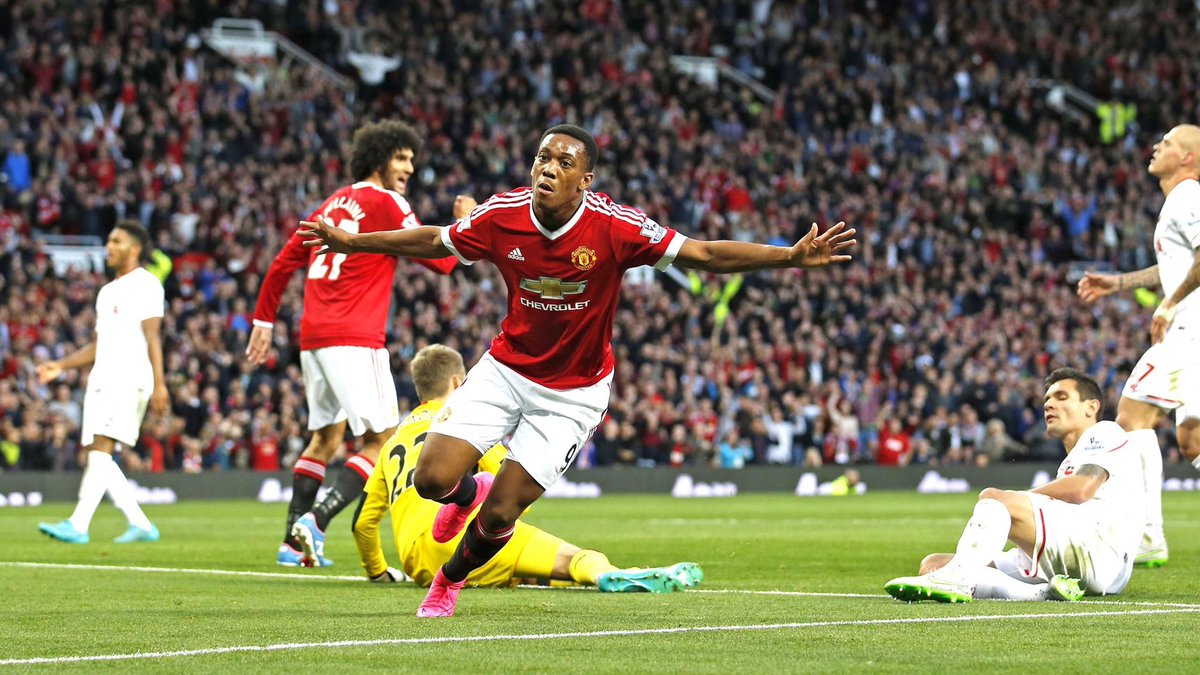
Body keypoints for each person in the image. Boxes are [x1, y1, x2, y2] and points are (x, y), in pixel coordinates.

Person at [300, 123, 856, 617]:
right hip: (505, 370)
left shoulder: (616, 226)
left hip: (573, 395)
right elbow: (433, 240)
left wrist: (788, 256)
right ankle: (467, 492)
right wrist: (354, 241)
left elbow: (704, 256)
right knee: (432, 480)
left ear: (585, 180)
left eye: (566, 162)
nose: (549, 168)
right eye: (544, 157)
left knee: (500, 516)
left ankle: (448, 583)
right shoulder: (502, 215)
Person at [247, 120, 473, 567]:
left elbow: (280, 264)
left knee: (325, 439)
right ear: (379, 157)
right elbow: (444, 263)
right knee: (383, 441)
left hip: (313, 337)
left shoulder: (330, 204)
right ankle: (314, 521)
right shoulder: (386, 201)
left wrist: (264, 321)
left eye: (412, 159)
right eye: (401, 158)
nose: (409, 167)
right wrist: (465, 221)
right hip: (354, 337)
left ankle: (292, 547)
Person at [353, 344, 703, 593]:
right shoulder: (464, 428)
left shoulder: (391, 444)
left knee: (517, 571)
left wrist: (380, 573)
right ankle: (603, 573)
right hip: (464, 545)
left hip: (419, 564)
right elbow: (509, 492)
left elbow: (364, 525)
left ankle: (523, 573)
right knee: (571, 557)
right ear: (459, 383)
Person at [884, 368, 1145, 603]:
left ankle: (957, 578)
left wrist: (1012, 502)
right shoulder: (1071, 459)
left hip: (1097, 552)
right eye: (1047, 400)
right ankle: (1037, 593)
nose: (1049, 405)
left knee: (993, 498)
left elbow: (1081, 489)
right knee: (932, 565)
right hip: (1074, 556)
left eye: (1061, 397)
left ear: (1091, 407)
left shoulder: (1105, 432)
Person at [1075, 123, 1200, 568]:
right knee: (1191, 442)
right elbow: (1176, 267)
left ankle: (1149, 536)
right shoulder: (1178, 203)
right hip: (1189, 327)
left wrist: (1167, 305)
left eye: (1165, 143)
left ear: (1187, 157)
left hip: (1190, 327)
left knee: (1131, 418)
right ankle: (1149, 536)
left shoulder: (1187, 197)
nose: (1155, 146)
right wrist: (1120, 283)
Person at [36, 220, 168, 544]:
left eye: (116, 241)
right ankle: (140, 524)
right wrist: (61, 366)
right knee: (100, 455)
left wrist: (160, 383)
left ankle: (78, 524)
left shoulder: (147, 285)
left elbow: (153, 337)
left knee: (100, 450)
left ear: (134, 249)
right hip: (103, 378)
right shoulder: (107, 291)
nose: (109, 246)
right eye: (109, 240)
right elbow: (99, 345)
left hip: (129, 377)